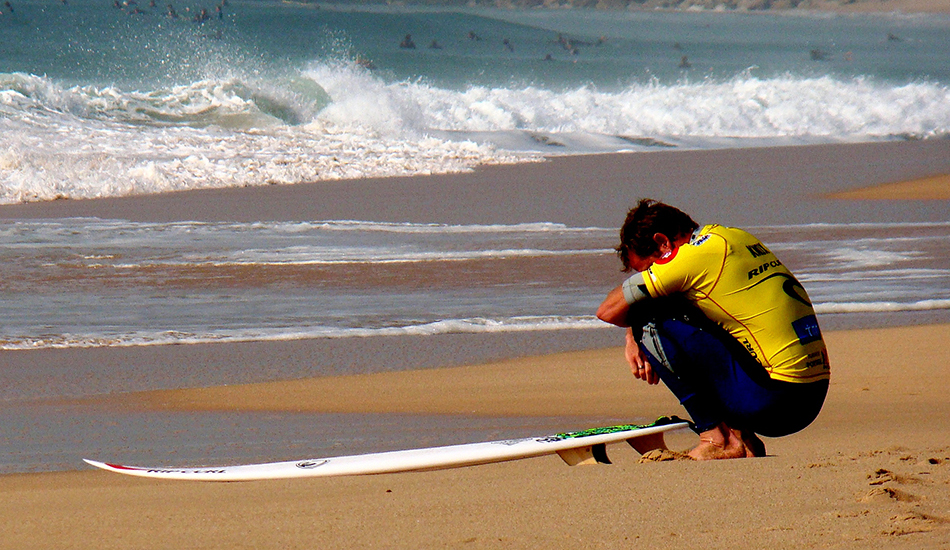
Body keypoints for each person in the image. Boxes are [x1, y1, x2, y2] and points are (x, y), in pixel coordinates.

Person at [596, 199, 830, 460]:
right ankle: (742, 437)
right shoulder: (732, 237)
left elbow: (607, 311)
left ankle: (716, 438)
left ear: (663, 243)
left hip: (774, 402)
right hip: (812, 396)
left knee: (649, 322)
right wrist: (631, 335)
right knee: (699, 313)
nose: (652, 273)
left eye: (649, 268)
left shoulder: (691, 258)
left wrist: (634, 334)